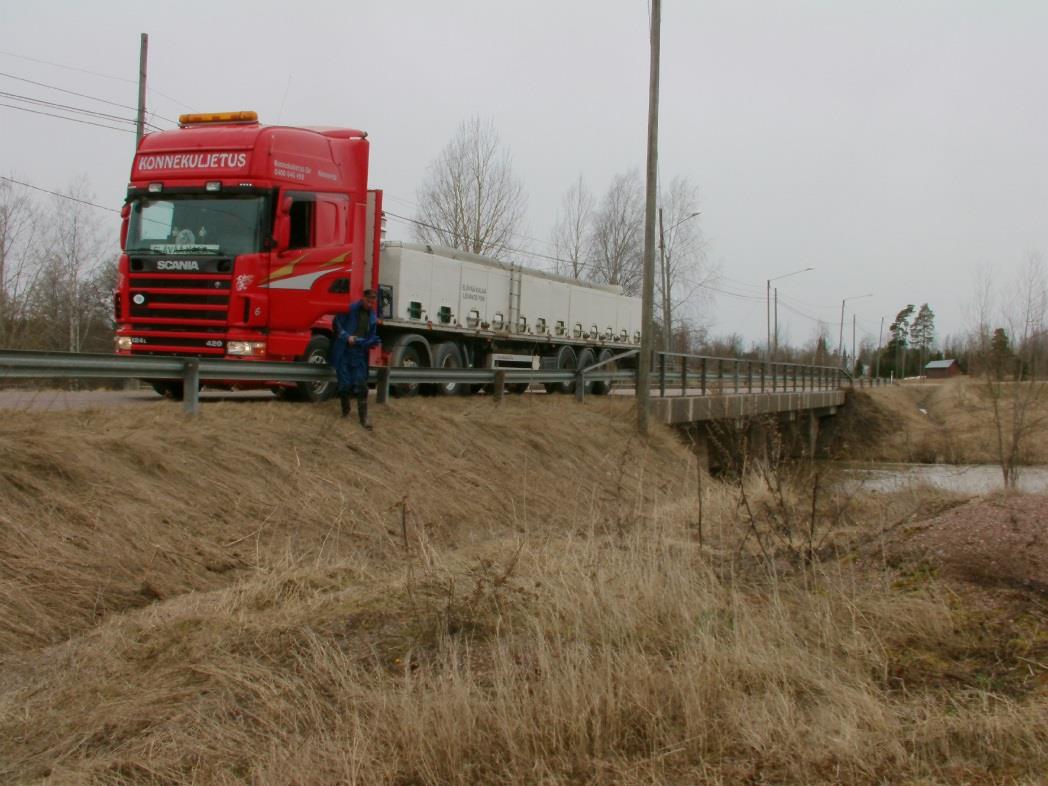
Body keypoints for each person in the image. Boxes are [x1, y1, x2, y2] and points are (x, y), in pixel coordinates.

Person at [331, 289, 380, 429]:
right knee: (345, 385)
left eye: (372, 303)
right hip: (345, 351)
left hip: (360, 354)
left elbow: (372, 335)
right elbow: (336, 324)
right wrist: (347, 337)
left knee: (362, 386)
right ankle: (345, 411)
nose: (370, 305)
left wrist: (369, 342)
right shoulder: (350, 309)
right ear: (363, 298)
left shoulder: (372, 318)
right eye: (368, 301)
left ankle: (364, 419)